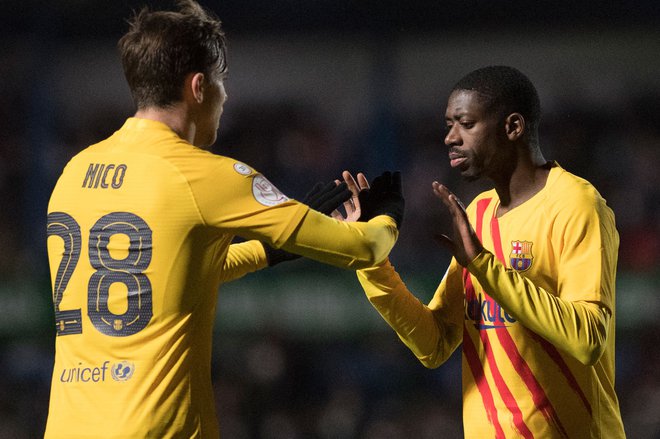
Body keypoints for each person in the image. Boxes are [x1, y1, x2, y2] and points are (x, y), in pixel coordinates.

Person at [43, 1, 403, 438]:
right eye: (221, 83)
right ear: (198, 87)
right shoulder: (206, 175)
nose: (225, 97)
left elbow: (164, 281)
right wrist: (388, 216)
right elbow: (364, 248)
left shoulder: (74, 172)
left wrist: (268, 251)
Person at [346, 66, 625, 438]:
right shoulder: (478, 213)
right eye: (448, 125)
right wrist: (370, 261)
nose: (449, 137)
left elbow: (588, 339)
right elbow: (435, 343)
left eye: (465, 123)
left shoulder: (576, 205)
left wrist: (483, 265)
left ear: (512, 127)